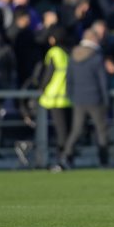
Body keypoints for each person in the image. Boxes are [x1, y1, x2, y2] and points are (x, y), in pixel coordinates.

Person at [59, 29, 110, 169]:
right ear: (94, 39)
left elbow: (69, 79)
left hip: (78, 99)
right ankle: (103, 161)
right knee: (101, 131)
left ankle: (65, 156)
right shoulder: (96, 57)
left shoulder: (73, 56)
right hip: (95, 99)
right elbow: (102, 81)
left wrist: (71, 96)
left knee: (76, 130)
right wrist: (106, 100)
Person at [37, 26, 71, 158]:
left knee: (61, 131)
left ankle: (62, 158)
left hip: (55, 97)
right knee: (67, 129)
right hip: (68, 97)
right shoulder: (68, 52)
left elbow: (48, 73)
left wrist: (41, 87)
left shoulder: (54, 52)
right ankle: (67, 156)